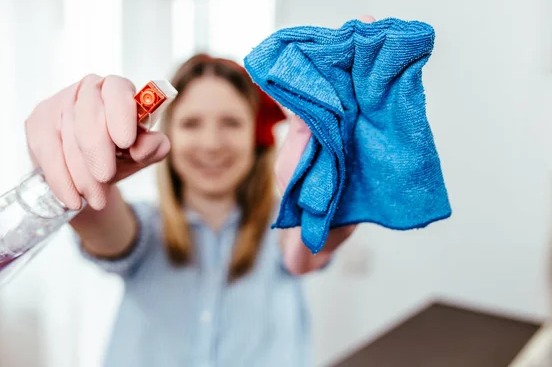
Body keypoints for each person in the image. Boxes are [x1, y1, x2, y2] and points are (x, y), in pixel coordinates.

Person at [24, 19, 374, 363]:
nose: (211, 143)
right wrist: (71, 156)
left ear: (257, 135)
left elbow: (313, 241)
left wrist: (338, 180)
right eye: (192, 123)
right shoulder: (144, 229)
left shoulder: (283, 225)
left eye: (231, 123)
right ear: (168, 132)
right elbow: (92, 214)